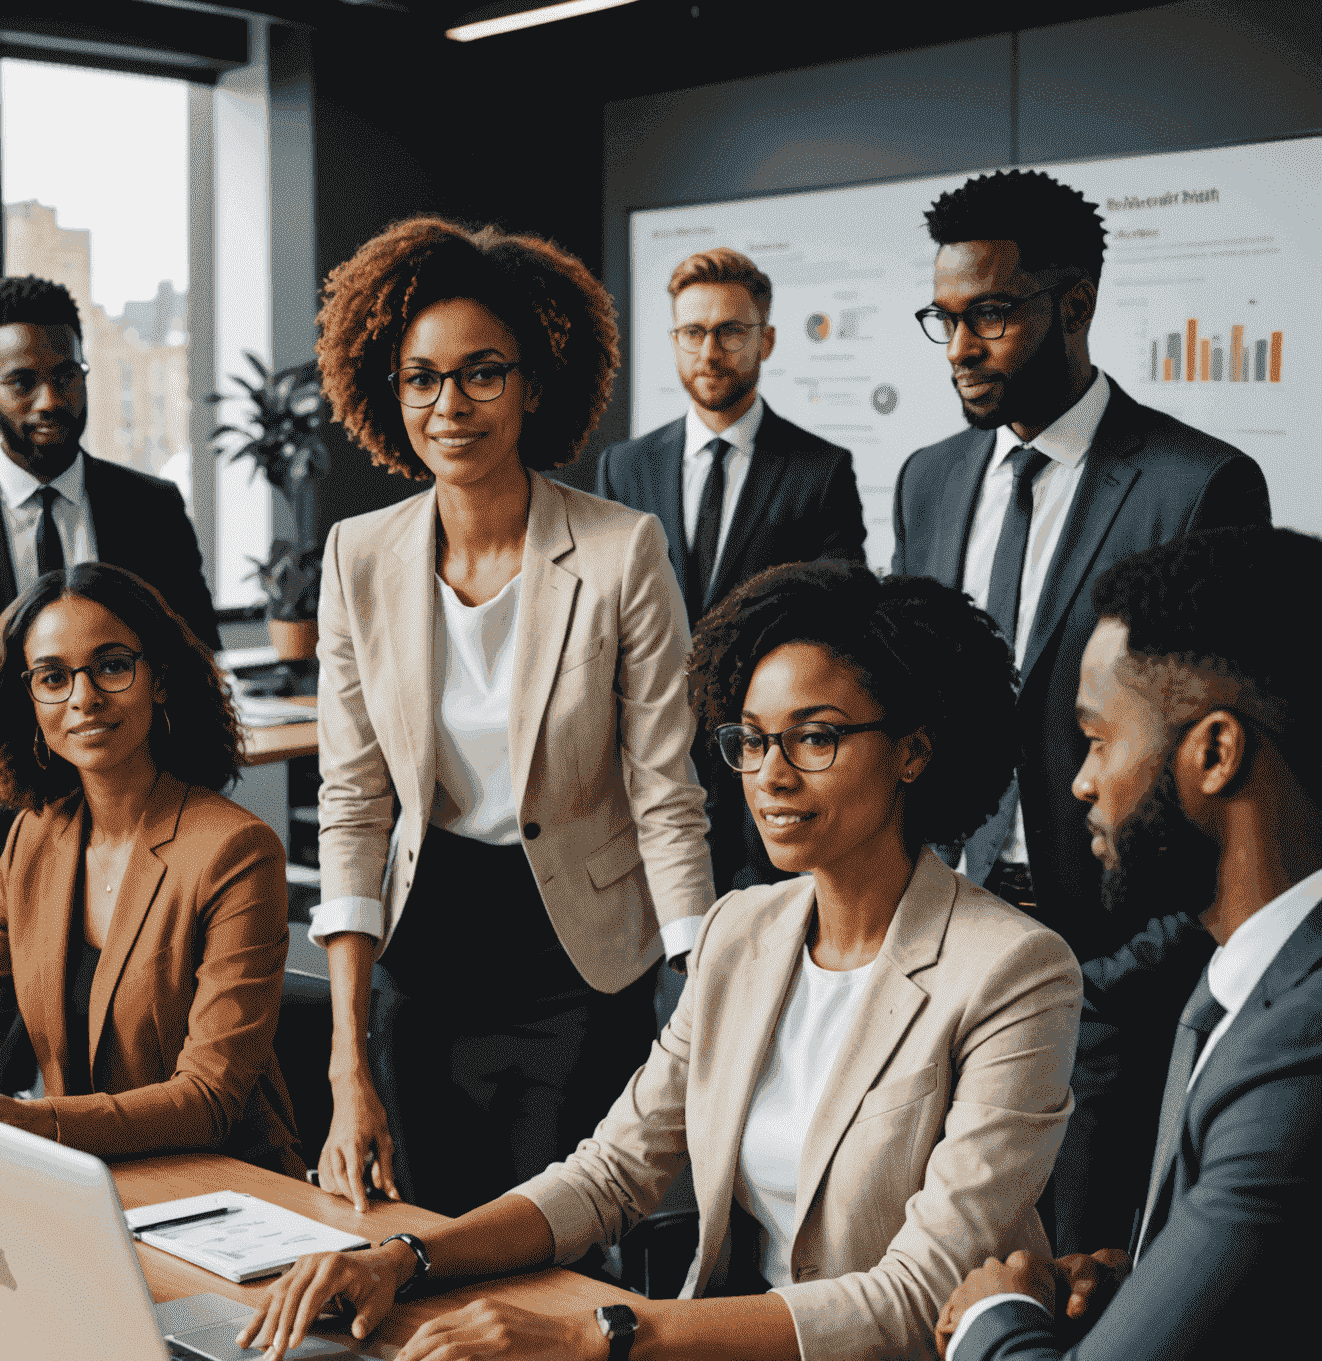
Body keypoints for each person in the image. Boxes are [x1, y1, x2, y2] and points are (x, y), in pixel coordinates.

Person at [238, 561, 1080, 1361]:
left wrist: (596, 1335)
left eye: (815, 737)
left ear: (914, 751)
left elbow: (914, 1296)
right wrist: (402, 1259)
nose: (771, 775)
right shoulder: (741, 931)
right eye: (750, 739)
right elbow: (611, 1174)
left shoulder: (1014, 972)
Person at [891, 168, 1271, 1253]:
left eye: (992, 315)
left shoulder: (1196, 486)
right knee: (926, 1272)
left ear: (1076, 304)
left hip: (1102, 965)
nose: (962, 346)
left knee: (1075, 1281)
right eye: (946, 319)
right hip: (943, 944)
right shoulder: (928, 479)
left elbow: (1223, 779)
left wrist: (1116, 981)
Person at [308, 217, 715, 1218]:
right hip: (427, 954)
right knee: (419, 1235)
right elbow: (355, 804)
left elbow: (667, 791)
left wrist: (708, 987)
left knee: (551, 1246)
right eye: (422, 378)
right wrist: (344, 1063)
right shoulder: (358, 557)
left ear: (535, 383)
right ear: (388, 391)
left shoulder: (623, 551)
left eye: (483, 373)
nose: (451, 406)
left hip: (576, 963)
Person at [936, 526, 1322, 1361]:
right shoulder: (1252, 975)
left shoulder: (1302, 1040)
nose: (1079, 782)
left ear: (1216, 752)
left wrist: (988, 1317)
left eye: (1100, 738)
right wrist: (1145, 1301)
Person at [0, 276, 221, 980]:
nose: (51, 400)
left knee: (127, 1070)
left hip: (142, 841)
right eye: (23, 382)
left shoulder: (152, 507)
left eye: (66, 375)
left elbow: (196, 649)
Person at [0, 562, 301, 1172]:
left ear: (160, 680)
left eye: (112, 665)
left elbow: (211, 1098)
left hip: (229, 1186)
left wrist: (36, 1122)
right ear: (31, 700)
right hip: (90, 1178)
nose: (84, 698)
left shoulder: (236, 850)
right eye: (52, 677)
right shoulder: (35, 836)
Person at [596, 248, 866, 892]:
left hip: (763, 765)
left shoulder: (820, 470)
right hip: (647, 767)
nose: (708, 352)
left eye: (729, 332)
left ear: (765, 340)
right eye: (691, 333)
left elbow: (838, 616)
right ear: (674, 339)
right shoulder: (624, 469)